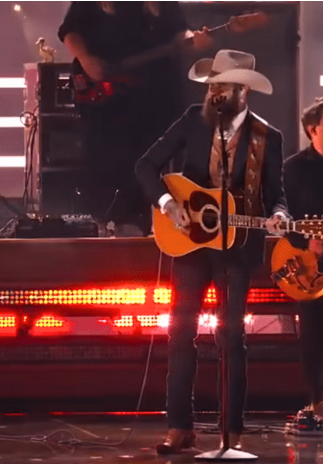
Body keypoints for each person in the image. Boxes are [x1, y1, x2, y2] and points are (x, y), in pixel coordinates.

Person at [135, 49, 287, 453]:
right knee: (180, 332)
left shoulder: (267, 138)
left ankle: (230, 434)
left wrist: (278, 215)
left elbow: (277, 197)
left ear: (242, 91)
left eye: (222, 86)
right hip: (189, 245)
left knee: (231, 337)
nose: (214, 92)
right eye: (212, 86)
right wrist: (169, 205)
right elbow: (145, 166)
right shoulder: (191, 121)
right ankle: (179, 428)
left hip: (236, 249)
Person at [57, 1, 211, 236]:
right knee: (108, 160)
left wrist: (193, 39)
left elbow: (180, 31)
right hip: (108, 103)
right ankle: (106, 223)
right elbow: (70, 31)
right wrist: (87, 59)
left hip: (155, 97)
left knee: (152, 159)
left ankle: (149, 224)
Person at [283, 97, 323, 421]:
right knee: (313, 333)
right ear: (313, 130)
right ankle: (319, 403)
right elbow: (282, 217)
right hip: (312, 267)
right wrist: (308, 241)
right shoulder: (293, 169)